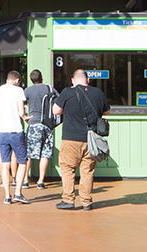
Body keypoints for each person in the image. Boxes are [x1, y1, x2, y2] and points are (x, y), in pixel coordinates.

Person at [51, 67, 109, 211]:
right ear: (88, 80)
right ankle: (86, 202)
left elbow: (56, 110)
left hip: (71, 138)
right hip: (91, 140)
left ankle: (68, 200)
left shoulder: (68, 92)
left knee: (68, 169)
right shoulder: (98, 92)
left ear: (72, 80)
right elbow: (107, 110)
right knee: (87, 171)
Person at [0, 70, 32, 204]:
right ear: (17, 80)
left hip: (1, 131)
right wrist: (25, 118)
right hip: (15, 131)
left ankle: (7, 195)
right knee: (22, 161)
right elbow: (21, 112)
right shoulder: (19, 91)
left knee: (5, 163)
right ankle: (18, 192)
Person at [24, 69, 56, 189]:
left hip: (33, 123)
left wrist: (23, 116)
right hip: (47, 124)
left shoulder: (28, 90)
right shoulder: (49, 88)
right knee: (45, 153)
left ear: (31, 80)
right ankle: (41, 181)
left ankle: (25, 179)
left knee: (29, 153)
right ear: (41, 78)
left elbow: (19, 101)